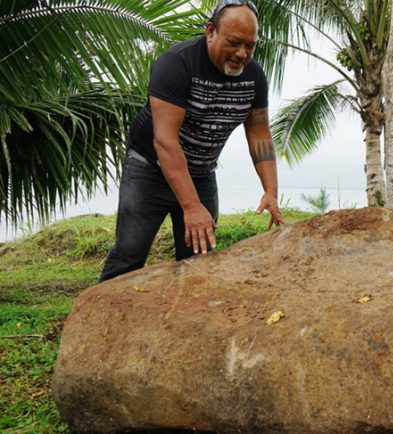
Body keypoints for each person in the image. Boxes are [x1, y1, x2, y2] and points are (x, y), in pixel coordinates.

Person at [99, 0, 284, 282]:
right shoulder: (177, 63)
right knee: (130, 255)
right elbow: (165, 142)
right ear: (210, 31)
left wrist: (270, 190)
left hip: (200, 172)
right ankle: (100, 319)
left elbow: (259, 132)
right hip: (150, 170)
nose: (242, 53)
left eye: (250, 45)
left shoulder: (254, 77)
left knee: (200, 259)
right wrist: (191, 206)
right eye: (234, 42)